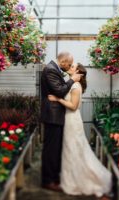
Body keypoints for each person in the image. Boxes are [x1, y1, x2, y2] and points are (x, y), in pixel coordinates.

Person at [48, 63, 113, 200]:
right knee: (70, 149)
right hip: (68, 120)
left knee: (75, 149)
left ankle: (89, 180)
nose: (70, 66)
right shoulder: (71, 84)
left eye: (73, 66)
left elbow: (73, 106)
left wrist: (58, 99)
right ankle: (71, 178)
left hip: (72, 120)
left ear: (77, 72)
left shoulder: (76, 86)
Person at [40, 52, 82, 192]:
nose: (69, 67)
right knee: (51, 149)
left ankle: (54, 177)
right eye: (69, 64)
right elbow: (59, 91)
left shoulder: (54, 69)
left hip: (55, 114)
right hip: (53, 115)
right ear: (63, 61)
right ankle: (48, 180)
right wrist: (72, 79)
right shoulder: (51, 69)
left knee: (54, 148)